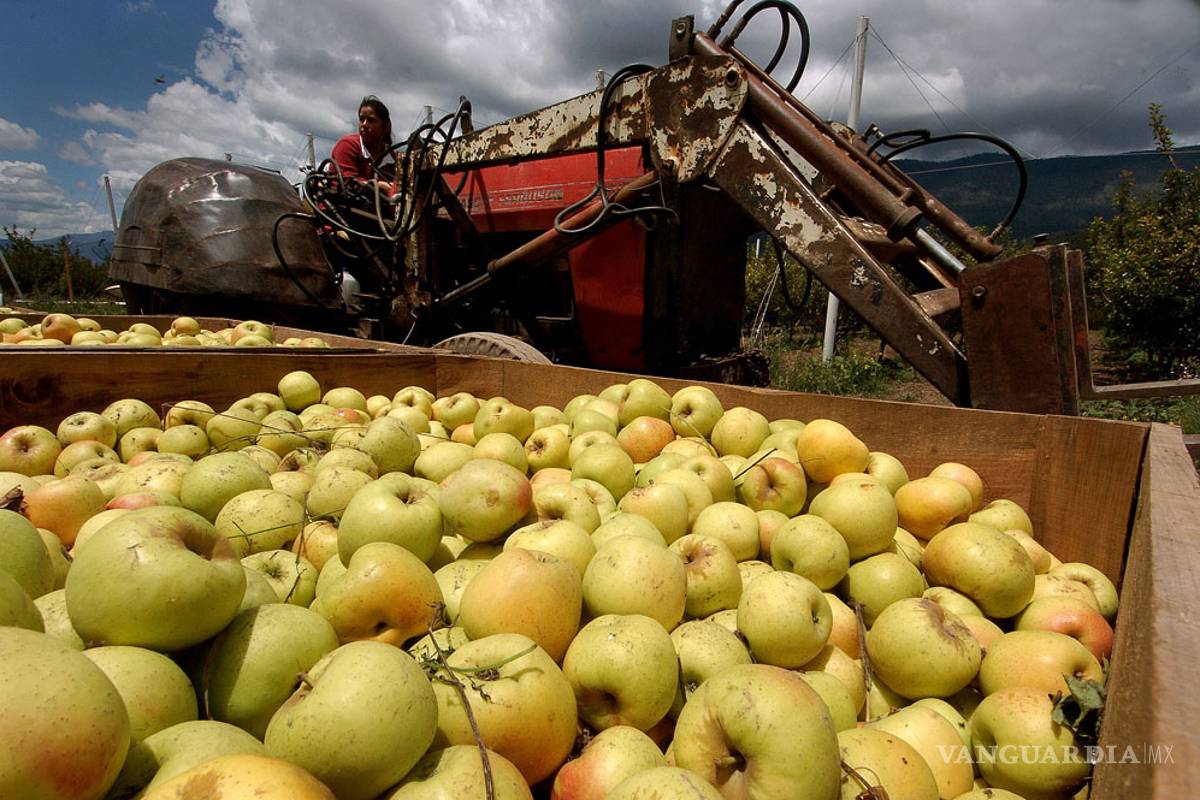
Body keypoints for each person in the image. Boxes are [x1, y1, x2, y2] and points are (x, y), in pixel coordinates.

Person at [330, 95, 396, 190]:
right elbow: (348, 182)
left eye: (370, 120)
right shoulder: (347, 146)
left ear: (386, 127)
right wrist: (380, 186)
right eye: (362, 119)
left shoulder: (393, 159)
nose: (364, 124)